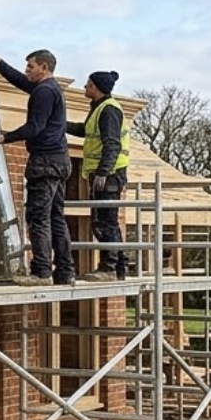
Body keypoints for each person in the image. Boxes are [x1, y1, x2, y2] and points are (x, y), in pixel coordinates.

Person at [0, 43, 75, 286]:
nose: (27, 70)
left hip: (45, 163)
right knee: (55, 217)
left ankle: (41, 272)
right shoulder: (49, 89)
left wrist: (3, 137)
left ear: (44, 68)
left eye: (31, 66)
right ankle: (65, 271)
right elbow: (18, 80)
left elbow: (35, 127)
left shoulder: (44, 92)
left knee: (38, 217)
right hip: (59, 161)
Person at [67, 71, 129, 282]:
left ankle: (109, 267)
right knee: (106, 220)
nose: (84, 87)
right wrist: (60, 124)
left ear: (96, 87)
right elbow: (85, 130)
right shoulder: (99, 109)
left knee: (105, 222)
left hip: (109, 175)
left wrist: (103, 171)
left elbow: (112, 143)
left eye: (88, 84)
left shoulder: (108, 110)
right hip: (107, 173)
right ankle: (118, 267)